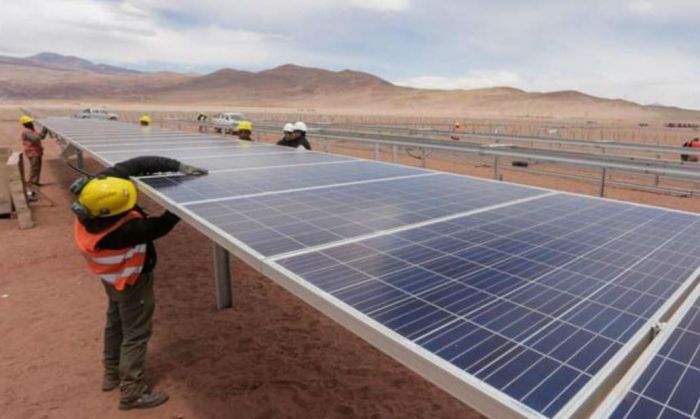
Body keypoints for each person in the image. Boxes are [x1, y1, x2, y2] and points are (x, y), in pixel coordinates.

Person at [71, 156, 208, 411]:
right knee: (136, 332)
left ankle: (111, 374)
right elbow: (163, 224)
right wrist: (185, 200)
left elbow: (135, 164)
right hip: (130, 280)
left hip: (109, 278)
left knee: (115, 322)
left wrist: (177, 166)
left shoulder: (97, 194)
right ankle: (131, 392)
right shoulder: (125, 231)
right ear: (113, 211)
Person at [19, 115, 48, 199]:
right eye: (29, 122)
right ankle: (32, 183)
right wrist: (44, 129)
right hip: (32, 152)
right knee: (34, 168)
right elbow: (37, 138)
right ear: (26, 124)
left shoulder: (31, 130)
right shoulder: (27, 132)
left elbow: (41, 137)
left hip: (37, 152)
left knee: (37, 167)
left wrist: (45, 129)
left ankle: (35, 182)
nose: (31, 123)